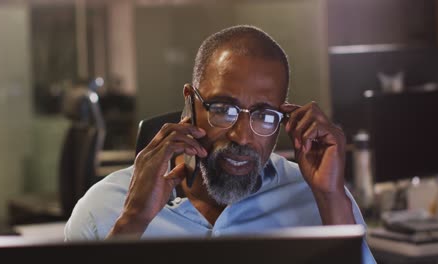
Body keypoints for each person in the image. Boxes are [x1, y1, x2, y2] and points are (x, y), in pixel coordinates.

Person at [64, 25, 376, 263]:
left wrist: (330, 198)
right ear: (190, 103)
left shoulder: (322, 200)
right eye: (223, 110)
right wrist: (133, 222)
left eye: (264, 115)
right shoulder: (103, 210)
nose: (241, 136)